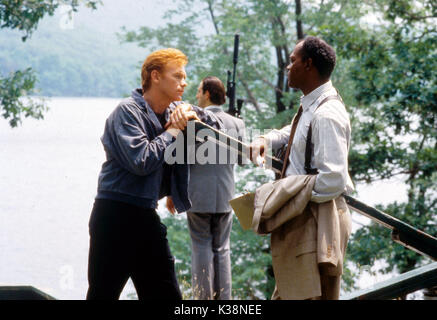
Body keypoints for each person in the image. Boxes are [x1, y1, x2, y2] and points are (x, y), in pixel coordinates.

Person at [86, 48, 221, 300]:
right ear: (155, 76)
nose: (185, 82)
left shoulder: (175, 110)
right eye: (178, 76)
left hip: (145, 214)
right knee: (102, 295)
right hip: (113, 216)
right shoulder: (126, 112)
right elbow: (142, 161)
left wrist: (191, 113)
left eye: (185, 77)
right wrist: (173, 132)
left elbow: (218, 128)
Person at [250, 36, 354, 300]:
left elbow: (333, 179)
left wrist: (290, 194)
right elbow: (296, 133)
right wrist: (267, 139)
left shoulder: (326, 114)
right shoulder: (313, 106)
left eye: (293, 60)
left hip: (315, 218)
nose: (288, 67)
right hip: (306, 216)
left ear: (308, 65)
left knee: (308, 295)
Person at [167, 76, 245, 300]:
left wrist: (174, 192)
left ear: (208, 93)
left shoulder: (193, 121)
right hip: (225, 196)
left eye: (200, 91)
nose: (197, 95)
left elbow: (180, 159)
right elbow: (241, 160)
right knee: (222, 249)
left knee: (200, 247)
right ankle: (224, 300)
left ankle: (202, 299)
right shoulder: (237, 123)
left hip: (198, 196)